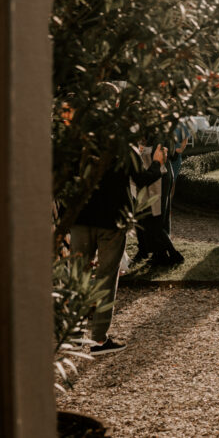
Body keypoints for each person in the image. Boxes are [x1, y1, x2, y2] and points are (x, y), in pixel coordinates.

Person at [72, 144, 165, 354]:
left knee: (79, 276)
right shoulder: (123, 146)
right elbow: (141, 180)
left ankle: (76, 335)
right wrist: (158, 162)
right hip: (112, 219)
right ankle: (98, 340)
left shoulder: (80, 141)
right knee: (106, 276)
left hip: (81, 216)